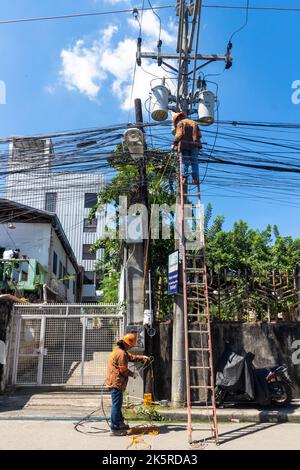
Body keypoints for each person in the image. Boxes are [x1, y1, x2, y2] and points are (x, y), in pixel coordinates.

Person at [105, 333, 150, 436]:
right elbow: (123, 369)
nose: (131, 347)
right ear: (127, 344)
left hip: (115, 381)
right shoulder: (121, 354)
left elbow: (130, 357)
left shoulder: (120, 350)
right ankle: (115, 428)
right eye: (130, 346)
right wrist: (132, 374)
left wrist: (142, 358)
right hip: (115, 382)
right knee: (116, 405)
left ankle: (119, 423)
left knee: (118, 404)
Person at [171, 112, 202, 184]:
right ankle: (195, 179)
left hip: (184, 146)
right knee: (194, 162)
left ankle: (184, 178)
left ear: (177, 119)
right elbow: (199, 135)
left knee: (185, 162)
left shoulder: (180, 123)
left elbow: (179, 135)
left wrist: (174, 143)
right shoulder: (194, 122)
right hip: (194, 146)